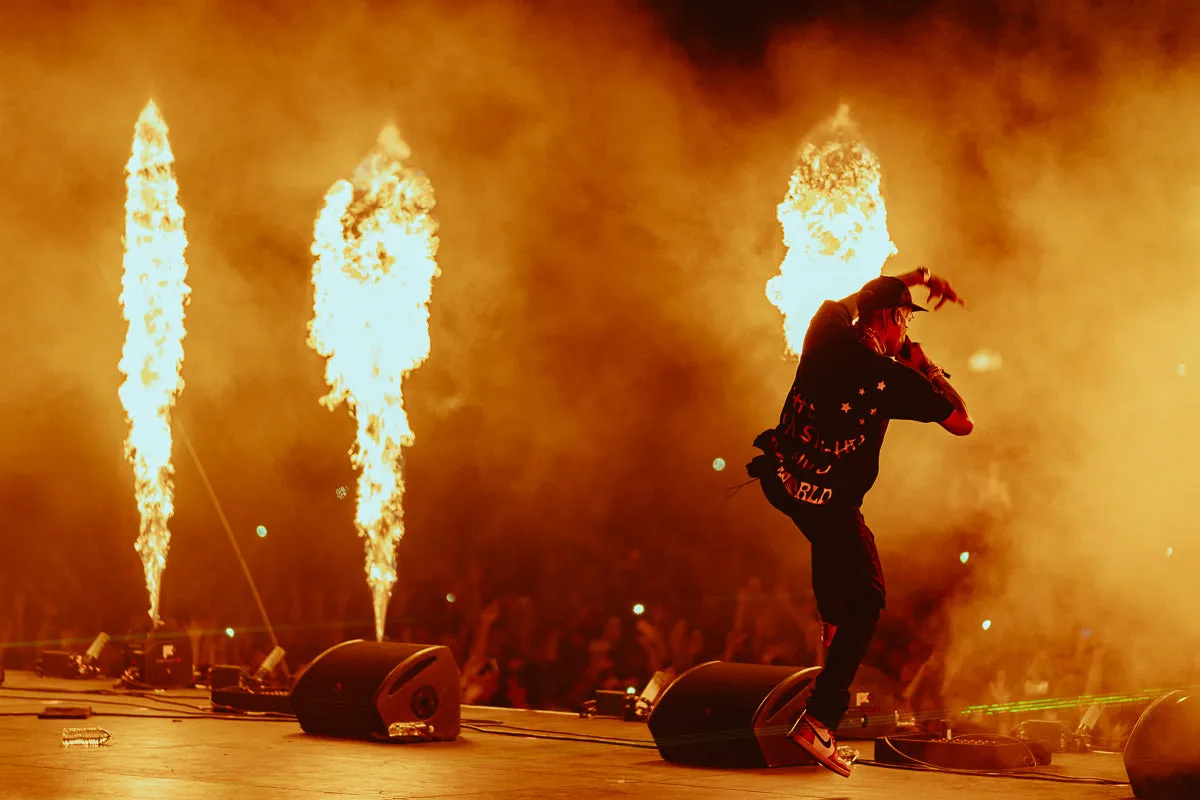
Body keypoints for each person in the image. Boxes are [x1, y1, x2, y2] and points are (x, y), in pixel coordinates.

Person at [746, 267, 973, 777]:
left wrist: (916, 275)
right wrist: (928, 367)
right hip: (829, 500)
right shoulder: (894, 379)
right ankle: (819, 720)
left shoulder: (824, 326)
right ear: (891, 318)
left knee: (829, 557)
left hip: (782, 480)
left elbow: (850, 299)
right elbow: (963, 423)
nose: (907, 333)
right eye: (905, 321)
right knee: (868, 598)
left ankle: (828, 624)